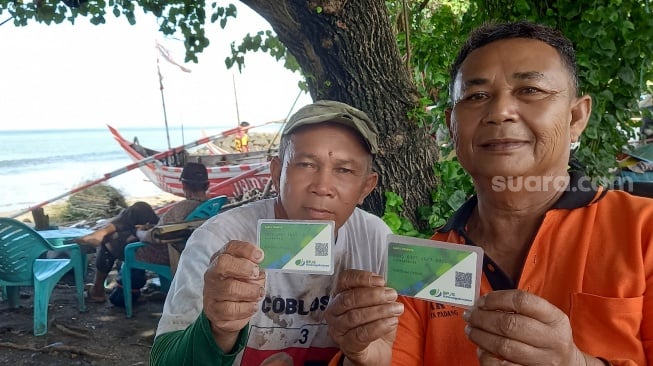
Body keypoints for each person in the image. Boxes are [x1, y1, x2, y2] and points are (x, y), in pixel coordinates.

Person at [328, 21, 653, 365]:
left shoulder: (642, 231)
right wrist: (364, 358)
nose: (499, 112)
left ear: (576, 116)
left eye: (530, 90)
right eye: (477, 96)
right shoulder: (424, 265)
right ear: (452, 124)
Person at [150, 100, 400, 365]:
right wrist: (216, 329)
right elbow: (164, 359)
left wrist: (367, 357)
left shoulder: (375, 241)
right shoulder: (218, 240)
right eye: (306, 164)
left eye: (345, 170)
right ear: (277, 171)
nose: (322, 186)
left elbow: (390, 349)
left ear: (366, 187)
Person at [75, 162, 211, 303]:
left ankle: (97, 290)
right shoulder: (211, 205)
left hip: (166, 250)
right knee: (141, 208)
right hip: (178, 241)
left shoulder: (180, 209)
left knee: (112, 239)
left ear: (183, 185)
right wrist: (152, 227)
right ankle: (102, 232)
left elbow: (153, 237)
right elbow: (166, 229)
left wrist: (139, 232)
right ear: (207, 185)